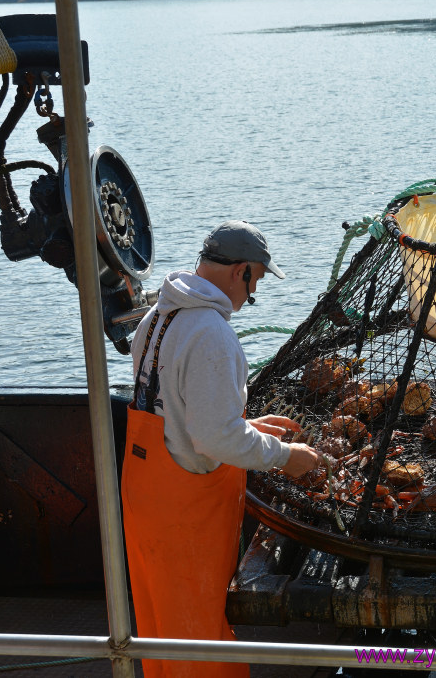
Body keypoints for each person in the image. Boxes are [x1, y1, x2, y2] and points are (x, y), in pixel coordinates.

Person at [121, 220, 327, 678]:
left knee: (159, 624)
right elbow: (213, 439)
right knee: (197, 631)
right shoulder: (211, 333)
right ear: (242, 272)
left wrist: (246, 425)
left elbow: (173, 407)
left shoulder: (158, 317)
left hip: (145, 493)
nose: (250, 296)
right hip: (184, 512)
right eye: (254, 282)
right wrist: (283, 456)